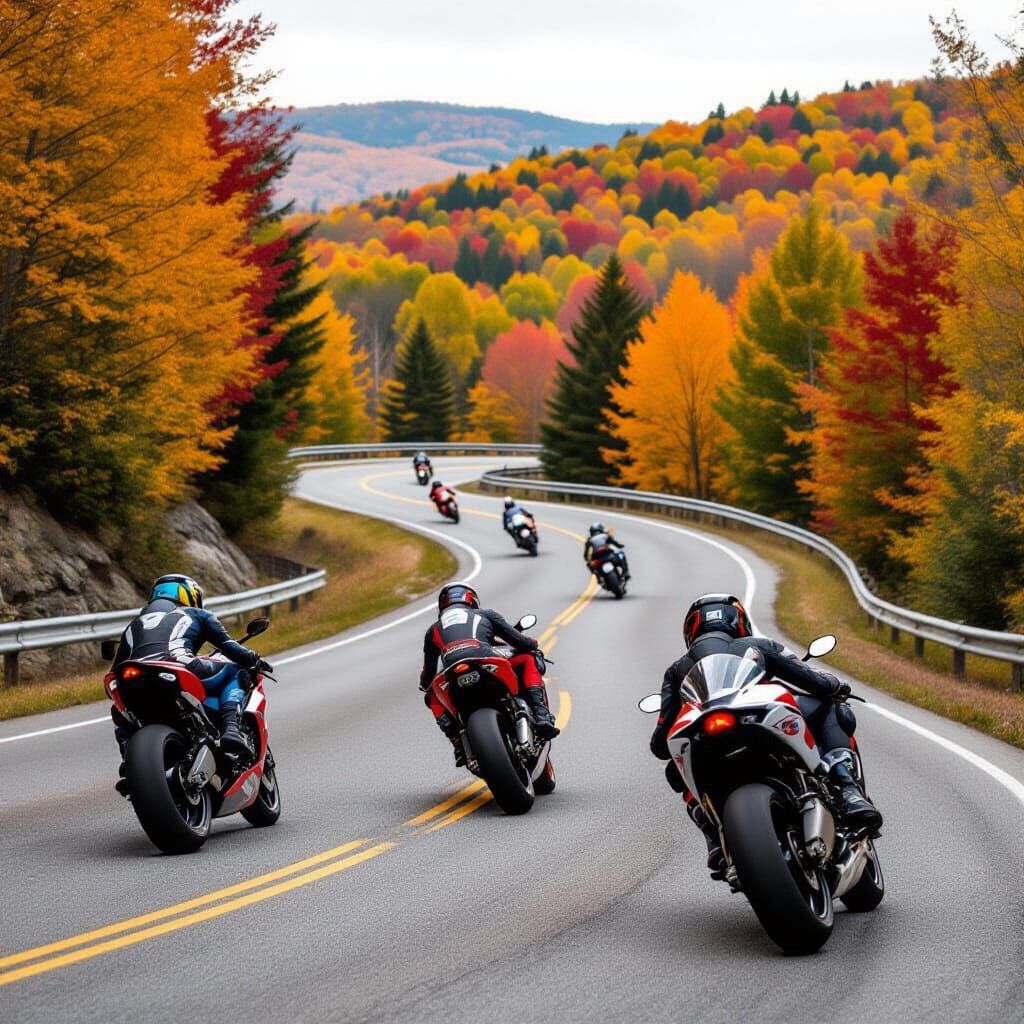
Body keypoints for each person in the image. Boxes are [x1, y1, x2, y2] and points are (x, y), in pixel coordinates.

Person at [649, 593, 882, 874]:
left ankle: (712, 833)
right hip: (757, 718)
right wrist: (836, 685)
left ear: (691, 630)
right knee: (829, 707)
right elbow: (811, 680)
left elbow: (661, 741)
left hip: (705, 736)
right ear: (739, 621)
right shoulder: (758, 645)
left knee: (675, 767)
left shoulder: (676, 670)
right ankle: (848, 790)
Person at [109, 574, 270, 794]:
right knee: (237, 671)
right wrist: (254, 659)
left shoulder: (133, 625)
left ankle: (129, 762)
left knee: (120, 710)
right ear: (189, 595)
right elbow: (229, 647)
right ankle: (230, 728)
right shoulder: (197, 613)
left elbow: (115, 668)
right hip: (176, 664)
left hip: (130, 676)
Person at [418, 582, 559, 765]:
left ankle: (458, 743)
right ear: (472, 599)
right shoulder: (485, 614)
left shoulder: (433, 630)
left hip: (453, 670)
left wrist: (424, 685)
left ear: (443, 605)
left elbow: (428, 674)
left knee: (432, 696)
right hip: (484, 659)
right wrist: (533, 645)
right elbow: (519, 641)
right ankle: (541, 715)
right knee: (527, 659)